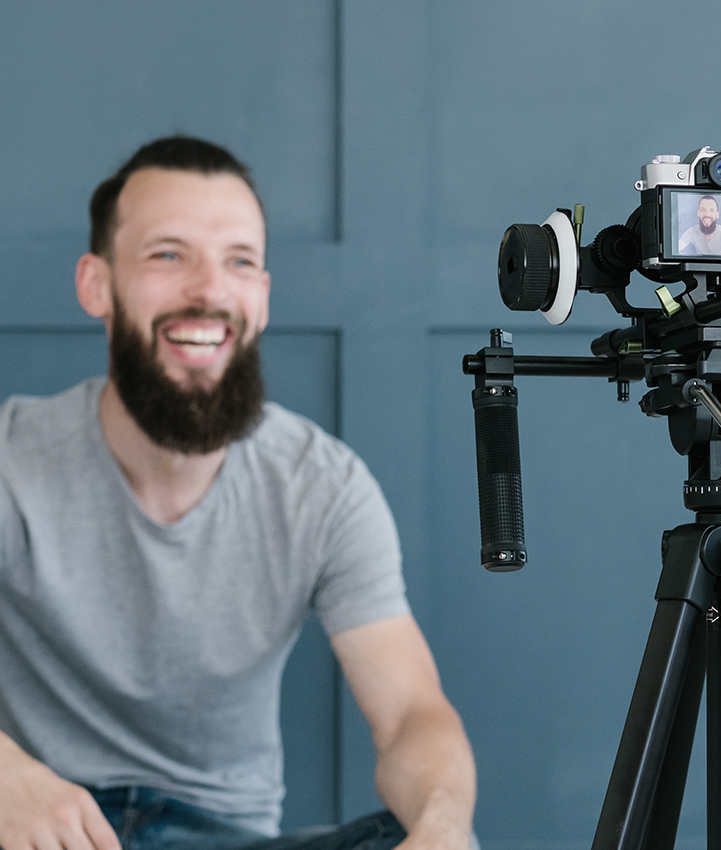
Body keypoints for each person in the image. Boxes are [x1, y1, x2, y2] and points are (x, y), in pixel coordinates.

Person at [0, 137, 476, 850]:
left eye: (240, 261)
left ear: (262, 295)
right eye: (168, 254)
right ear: (96, 283)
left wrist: (442, 822)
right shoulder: (10, 456)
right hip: (44, 828)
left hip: (226, 838)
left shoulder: (324, 486)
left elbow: (411, 711)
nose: (210, 290)